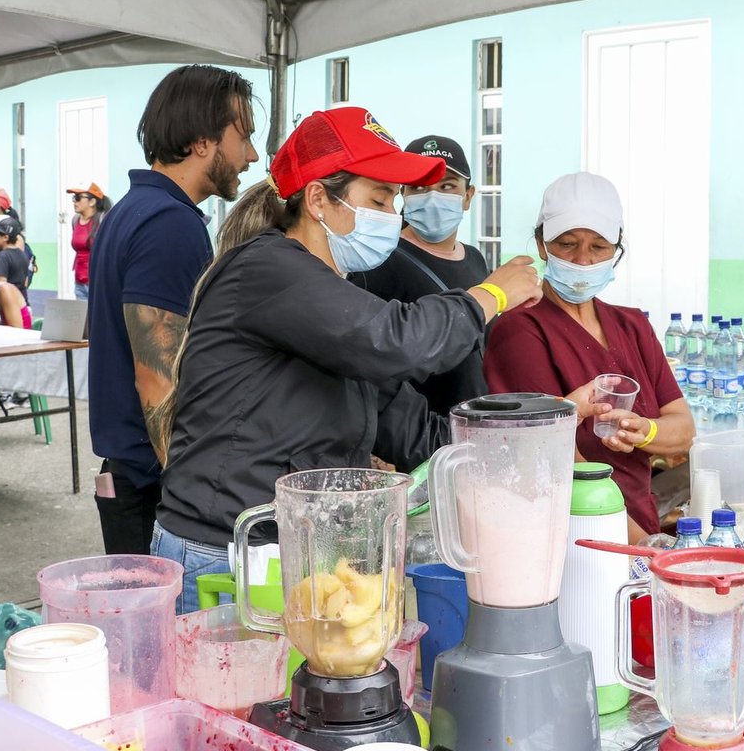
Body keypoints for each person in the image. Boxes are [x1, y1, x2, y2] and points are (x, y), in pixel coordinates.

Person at [152, 107, 543, 611]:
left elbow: (404, 423)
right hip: (226, 550)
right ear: (319, 198)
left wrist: (514, 442)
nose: (392, 215)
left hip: (297, 548)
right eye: (378, 200)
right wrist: (490, 294)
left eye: (393, 200)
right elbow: (397, 341)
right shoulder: (269, 270)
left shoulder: (330, 296)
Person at [87, 65, 260, 556]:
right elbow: (156, 377)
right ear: (202, 142)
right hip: (153, 483)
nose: (251, 156)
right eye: (244, 137)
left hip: (134, 474)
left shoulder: (132, 210)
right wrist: (191, 493)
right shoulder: (169, 224)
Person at [482, 172, 696, 541]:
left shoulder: (633, 326)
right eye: (567, 244)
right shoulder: (519, 330)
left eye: (598, 247)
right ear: (542, 245)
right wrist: (641, 546)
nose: (582, 260)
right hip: (576, 530)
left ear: (616, 249)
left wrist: (645, 431)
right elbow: (551, 454)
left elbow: (683, 430)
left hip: (636, 520)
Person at [350, 136, 490, 414]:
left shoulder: (475, 259)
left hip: (470, 422)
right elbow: (368, 360)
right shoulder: (379, 260)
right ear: (403, 194)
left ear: (468, 196)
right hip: (414, 431)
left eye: (447, 186)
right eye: (419, 187)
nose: (433, 197)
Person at [68, 183, 112, 301]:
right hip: (79, 282)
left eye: (78, 198)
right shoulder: (75, 220)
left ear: (92, 201)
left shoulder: (103, 220)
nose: (74, 202)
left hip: (98, 282)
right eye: (74, 198)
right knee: (81, 313)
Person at [0, 217, 32, 301]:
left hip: (9, 302)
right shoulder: (23, 254)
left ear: (5, 237)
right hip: (22, 300)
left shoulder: (3, 256)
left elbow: (2, 285)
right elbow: (25, 282)